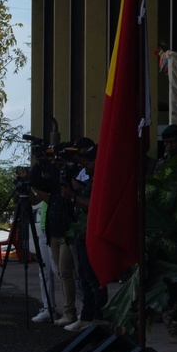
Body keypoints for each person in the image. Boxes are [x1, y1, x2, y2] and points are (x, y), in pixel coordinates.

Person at [27, 145, 77, 328]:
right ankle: (53, 308)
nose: (54, 163)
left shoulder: (64, 175)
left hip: (64, 228)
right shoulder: (49, 176)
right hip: (49, 228)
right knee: (47, 271)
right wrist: (31, 179)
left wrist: (47, 166)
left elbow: (54, 190)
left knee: (63, 272)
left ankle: (72, 310)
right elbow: (40, 195)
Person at [61, 138, 105, 332]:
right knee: (84, 277)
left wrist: (73, 196)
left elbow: (94, 206)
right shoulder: (88, 177)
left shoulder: (102, 179)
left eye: (88, 160)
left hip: (91, 232)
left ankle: (99, 316)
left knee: (93, 278)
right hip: (80, 232)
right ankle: (87, 316)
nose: (84, 164)